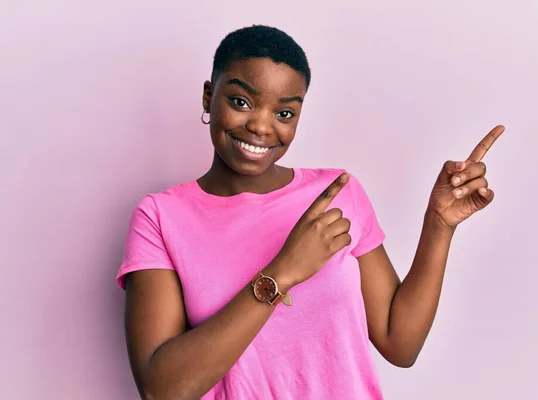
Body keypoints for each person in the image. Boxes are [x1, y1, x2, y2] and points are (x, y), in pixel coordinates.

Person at [116, 24, 504, 400]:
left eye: (284, 113)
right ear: (208, 97)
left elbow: (399, 344)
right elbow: (161, 389)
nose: (261, 126)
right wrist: (283, 272)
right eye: (241, 101)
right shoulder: (160, 217)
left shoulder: (337, 193)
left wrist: (438, 225)